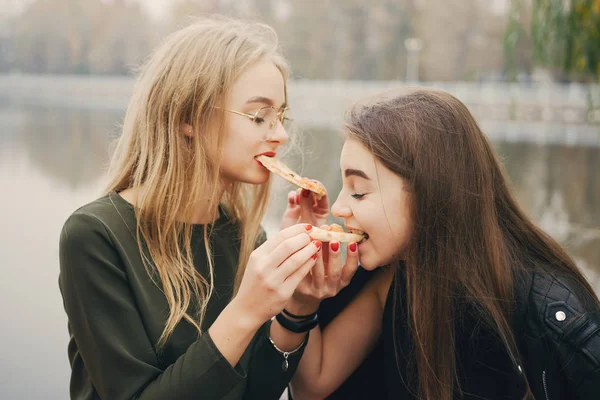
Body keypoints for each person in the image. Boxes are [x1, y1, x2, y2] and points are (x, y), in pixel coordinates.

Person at [58, 16, 342, 400]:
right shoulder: (95, 235)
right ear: (189, 117)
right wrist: (246, 310)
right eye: (259, 116)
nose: (281, 134)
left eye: (281, 116)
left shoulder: (246, 238)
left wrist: (298, 306)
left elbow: (256, 392)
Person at [288, 88, 600, 400]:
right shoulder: (394, 282)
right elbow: (311, 385)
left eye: (358, 191)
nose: (339, 207)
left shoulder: (548, 312)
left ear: (428, 192)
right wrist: (303, 296)